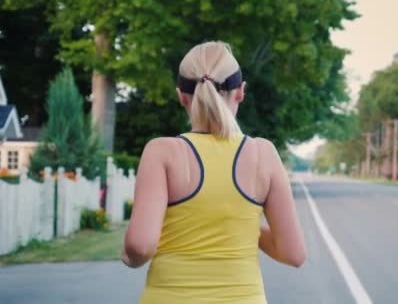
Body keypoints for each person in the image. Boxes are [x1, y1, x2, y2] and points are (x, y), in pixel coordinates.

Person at [122, 41, 306, 304]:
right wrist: (246, 228)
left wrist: (129, 257)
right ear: (241, 92)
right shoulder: (262, 154)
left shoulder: (161, 152)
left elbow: (140, 246)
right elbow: (294, 254)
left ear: (181, 96)